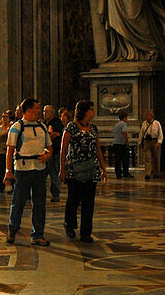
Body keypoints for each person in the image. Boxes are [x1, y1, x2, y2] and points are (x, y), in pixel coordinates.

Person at [4, 98, 52, 246]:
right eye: (37, 108)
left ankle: (37, 234)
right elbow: (10, 149)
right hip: (22, 169)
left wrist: (47, 155)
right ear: (29, 109)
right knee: (18, 201)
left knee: (39, 203)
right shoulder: (17, 127)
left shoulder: (42, 126)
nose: (40, 110)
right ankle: (12, 231)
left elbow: (49, 147)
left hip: (39, 169)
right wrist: (8, 171)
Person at [61, 99, 108, 243]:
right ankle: (69, 223)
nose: (93, 112)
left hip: (90, 169)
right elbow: (63, 149)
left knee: (89, 201)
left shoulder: (93, 128)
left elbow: (98, 148)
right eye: (91, 109)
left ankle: (86, 232)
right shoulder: (71, 127)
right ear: (84, 111)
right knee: (74, 199)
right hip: (74, 169)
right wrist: (62, 169)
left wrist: (103, 168)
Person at [43, 104, 63, 202]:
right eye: (44, 111)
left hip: (55, 152)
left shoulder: (57, 122)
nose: (44, 113)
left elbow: (57, 134)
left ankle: (55, 194)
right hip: (44, 152)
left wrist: (47, 136)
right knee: (42, 174)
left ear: (52, 113)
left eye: (47, 111)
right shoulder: (43, 123)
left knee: (54, 173)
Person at [138, 110, 163, 180]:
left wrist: (159, 142)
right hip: (147, 141)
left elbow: (160, 133)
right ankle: (148, 173)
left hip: (155, 141)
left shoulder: (157, 123)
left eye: (147, 115)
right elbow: (141, 133)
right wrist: (140, 142)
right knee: (147, 158)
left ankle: (156, 173)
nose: (145, 117)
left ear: (151, 116)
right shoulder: (144, 124)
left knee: (156, 158)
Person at [0, 111, 11, 193]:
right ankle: (1, 186)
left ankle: (12, 186)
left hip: (9, 151)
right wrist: (4, 134)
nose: (4, 119)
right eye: (3, 117)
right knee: (1, 169)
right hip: (1, 151)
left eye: (6, 117)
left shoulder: (11, 128)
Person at [112, 112, 131, 179]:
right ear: (124, 118)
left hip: (115, 143)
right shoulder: (124, 124)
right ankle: (125, 173)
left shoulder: (116, 125)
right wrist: (127, 142)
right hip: (122, 144)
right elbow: (124, 132)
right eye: (126, 118)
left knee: (117, 160)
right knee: (125, 159)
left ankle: (118, 174)